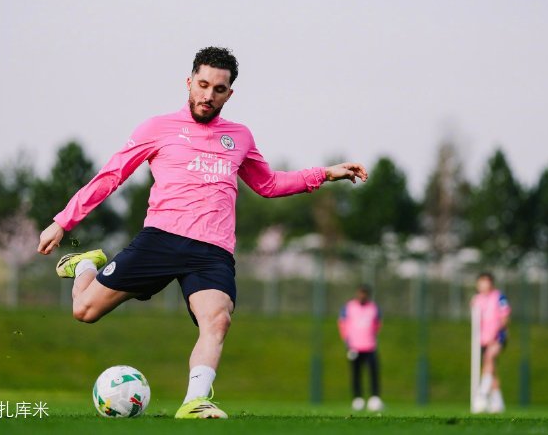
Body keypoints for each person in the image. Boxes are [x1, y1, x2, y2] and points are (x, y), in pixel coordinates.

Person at [37, 47, 368, 419]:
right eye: (203, 84)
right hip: (161, 239)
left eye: (219, 89)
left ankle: (194, 402)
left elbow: (269, 184)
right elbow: (111, 176)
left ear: (229, 94)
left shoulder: (239, 137)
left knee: (218, 319)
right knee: (84, 311)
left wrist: (326, 173)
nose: (208, 95)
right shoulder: (157, 128)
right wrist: (62, 222)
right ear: (189, 82)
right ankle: (85, 265)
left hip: (212, 252)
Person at [337, 284, 383, 412]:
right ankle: (357, 399)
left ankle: (374, 398)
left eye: (365, 293)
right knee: (356, 374)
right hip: (354, 347)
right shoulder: (349, 307)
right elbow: (342, 324)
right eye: (360, 293)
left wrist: (371, 336)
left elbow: (377, 324)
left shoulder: (374, 308)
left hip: (370, 346)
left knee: (373, 373)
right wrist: (348, 342)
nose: (362, 296)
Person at [471, 272, 511, 413]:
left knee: (489, 359)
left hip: (497, 337)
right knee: (492, 369)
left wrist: (496, 334)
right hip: (483, 339)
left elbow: (505, 317)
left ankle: (482, 395)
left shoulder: (499, 297)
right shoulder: (477, 299)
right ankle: (498, 403)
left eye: (485, 282)